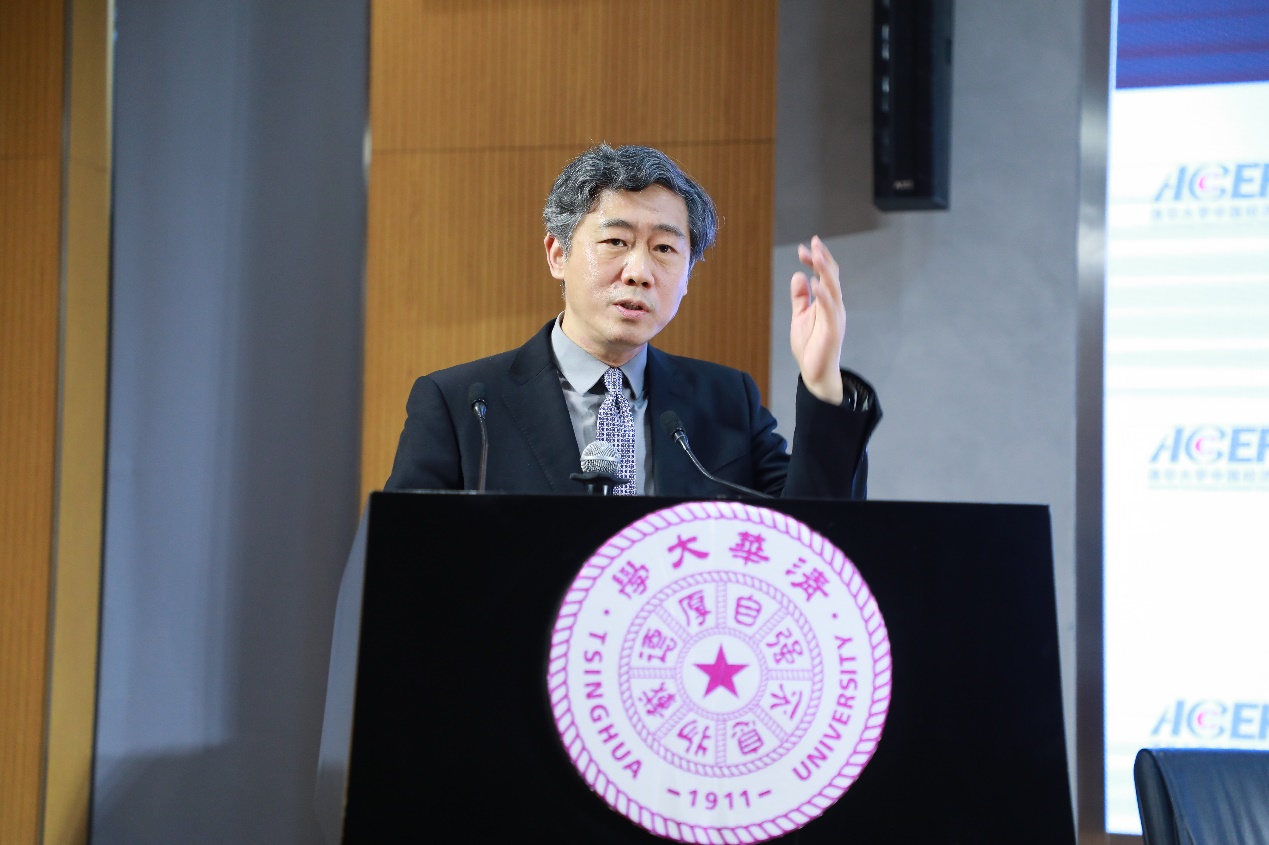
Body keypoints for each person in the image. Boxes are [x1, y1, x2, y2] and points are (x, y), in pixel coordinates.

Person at [385, 144, 880, 497]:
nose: (639, 272)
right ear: (557, 254)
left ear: (687, 275)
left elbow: (812, 538)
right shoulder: (463, 405)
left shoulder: (728, 401)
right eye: (615, 242)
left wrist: (823, 384)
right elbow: (405, 563)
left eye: (664, 249)